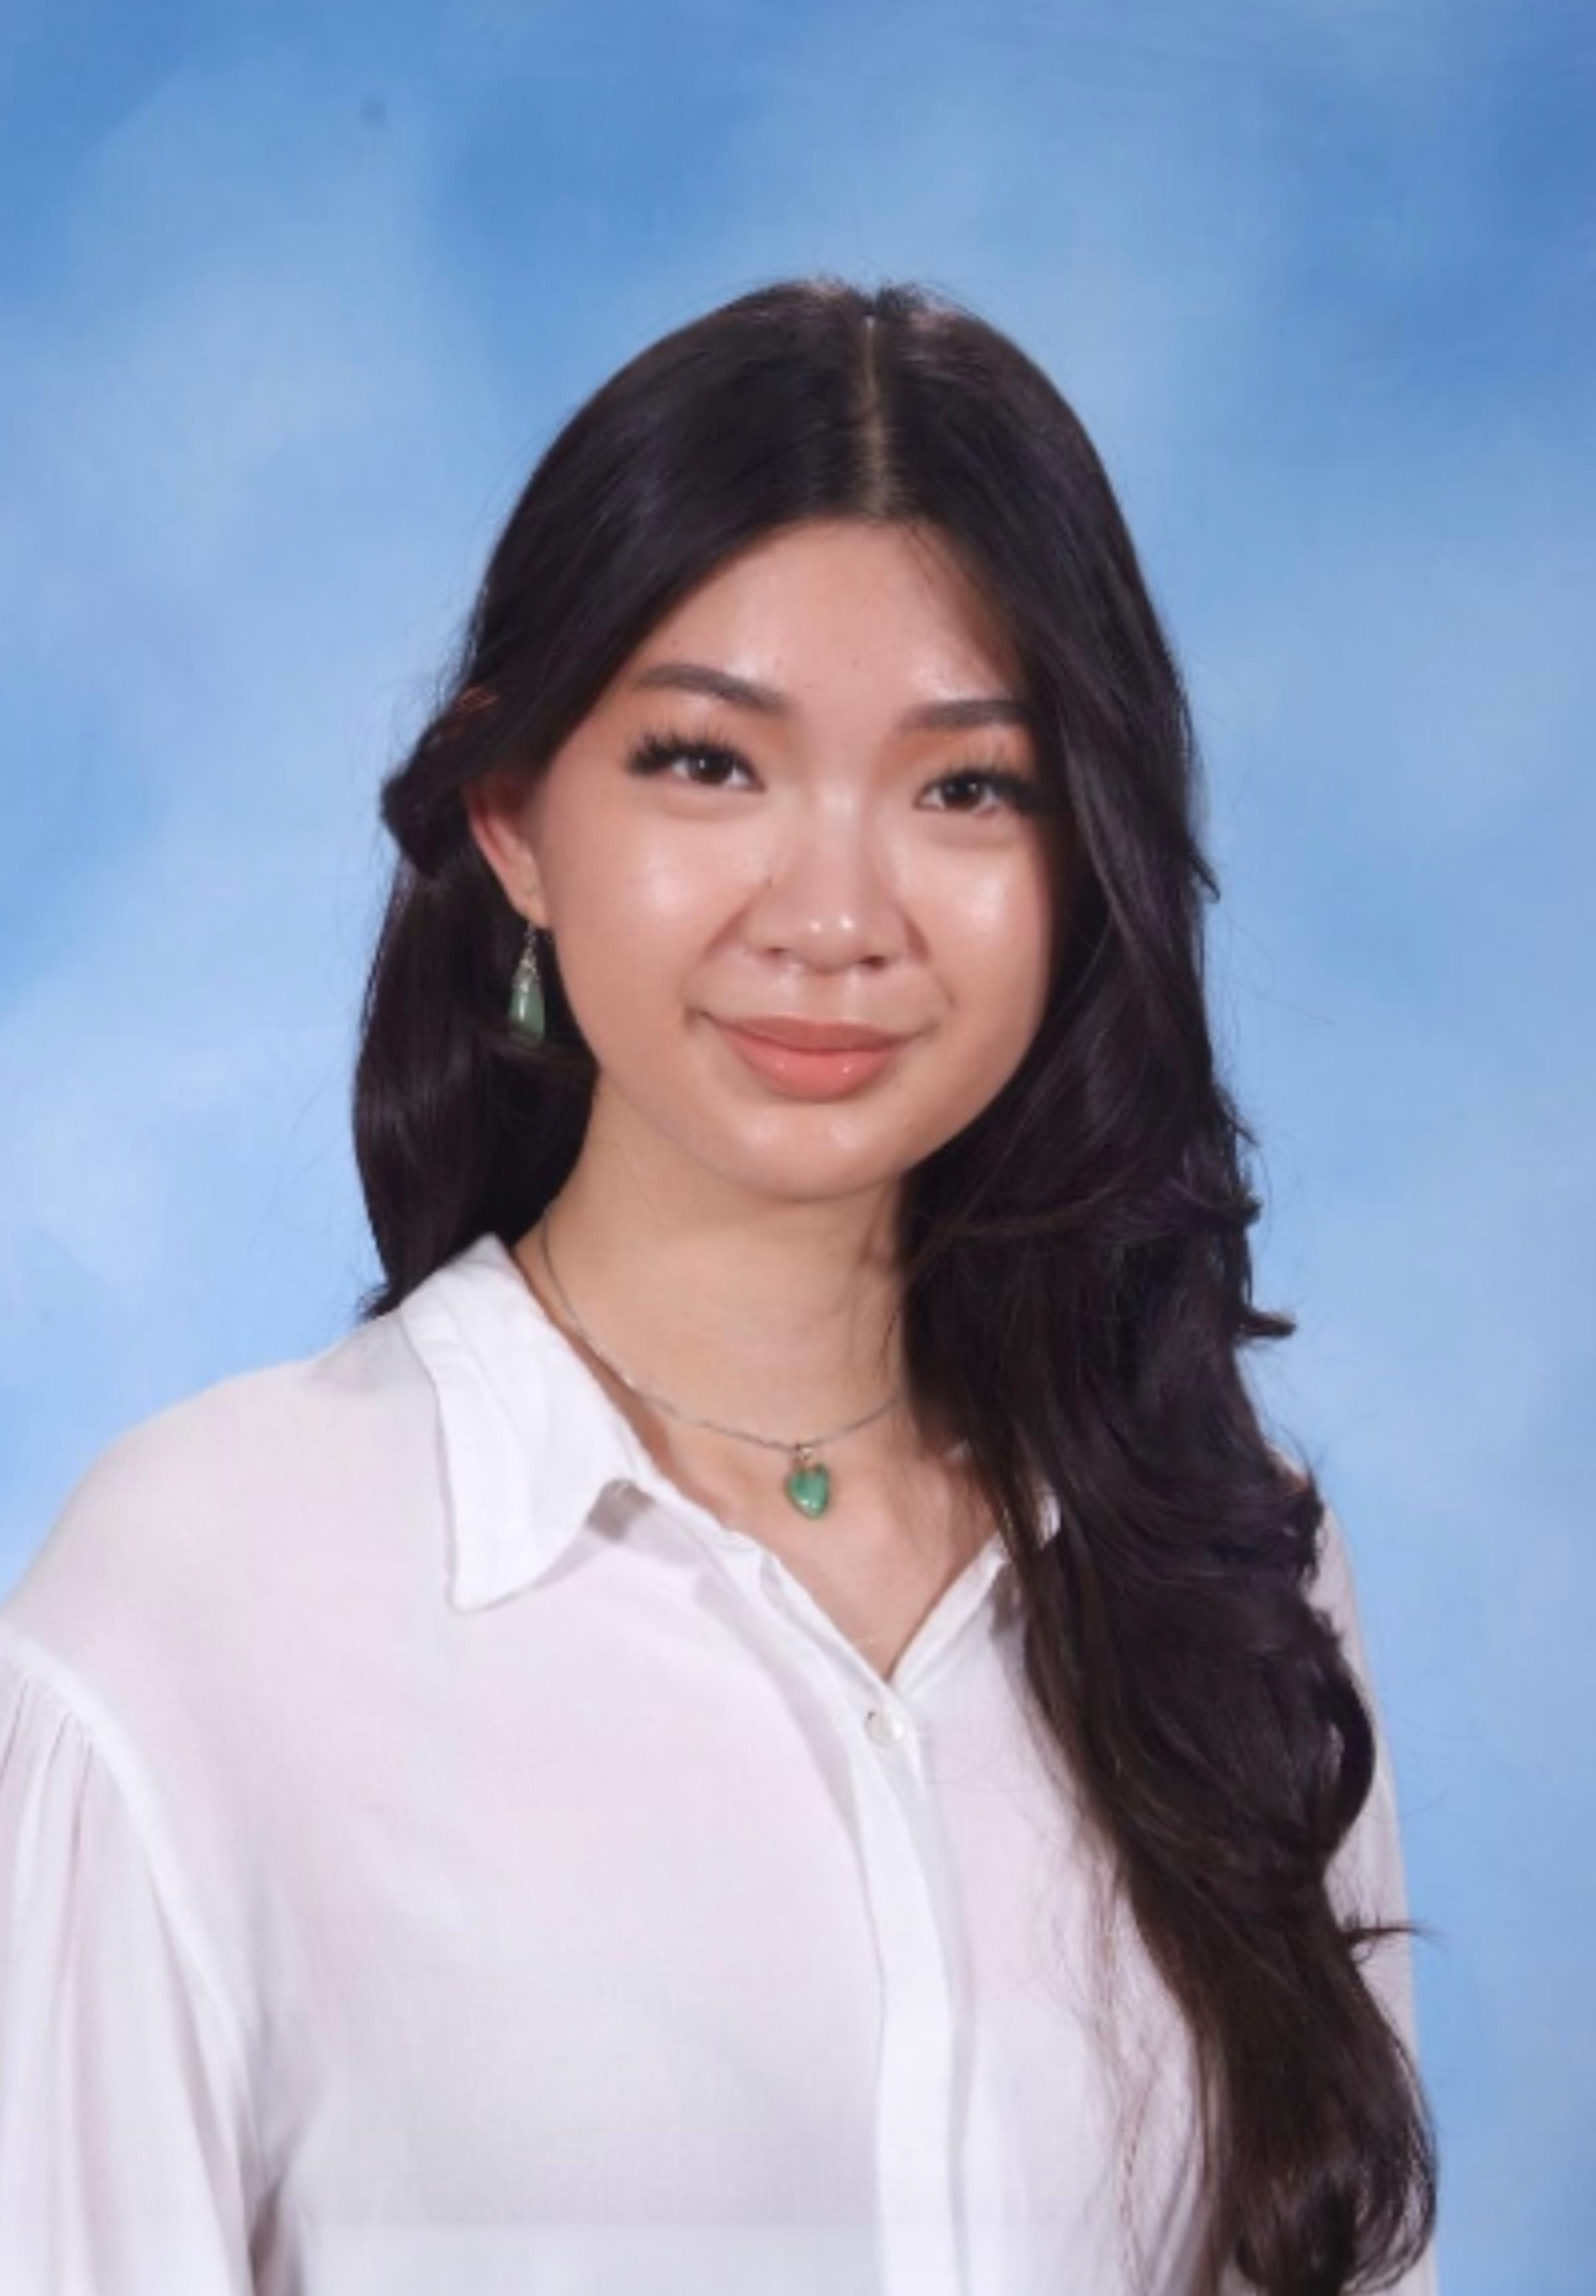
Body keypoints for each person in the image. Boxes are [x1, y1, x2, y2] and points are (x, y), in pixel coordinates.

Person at [0, 275, 1438, 2295]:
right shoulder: (199, 1604)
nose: (836, 917)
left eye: (967, 787)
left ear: (1083, 854)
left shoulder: (1223, 1561)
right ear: (510, 817)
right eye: (707, 765)